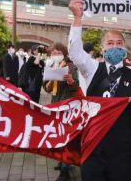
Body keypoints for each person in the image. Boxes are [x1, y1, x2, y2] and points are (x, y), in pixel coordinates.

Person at [69, 0, 131, 181]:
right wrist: (77, 19)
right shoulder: (92, 69)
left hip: (124, 153)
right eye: (110, 43)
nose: (115, 46)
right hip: (93, 148)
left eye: (119, 43)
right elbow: (75, 53)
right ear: (102, 48)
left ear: (125, 48)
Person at [43, 42, 79, 181]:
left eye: (58, 53)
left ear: (64, 53)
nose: (56, 55)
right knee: (58, 135)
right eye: (53, 53)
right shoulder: (51, 65)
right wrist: (50, 81)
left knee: (67, 137)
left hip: (67, 105)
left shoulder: (70, 67)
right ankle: (61, 161)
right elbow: (46, 88)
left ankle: (66, 169)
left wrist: (71, 81)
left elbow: (76, 86)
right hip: (55, 105)